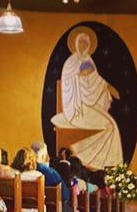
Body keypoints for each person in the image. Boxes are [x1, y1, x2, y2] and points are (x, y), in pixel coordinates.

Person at [50, 26, 123, 169]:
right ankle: (84, 154)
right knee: (110, 126)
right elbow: (70, 84)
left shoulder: (89, 60)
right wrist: (80, 77)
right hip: (77, 108)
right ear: (76, 44)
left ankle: (103, 162)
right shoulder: (71, 63)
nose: (83, 46)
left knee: (111, 125)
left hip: (89, 106)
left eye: (86, 43)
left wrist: (107, 87)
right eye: (81, 42)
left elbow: (96, 82)